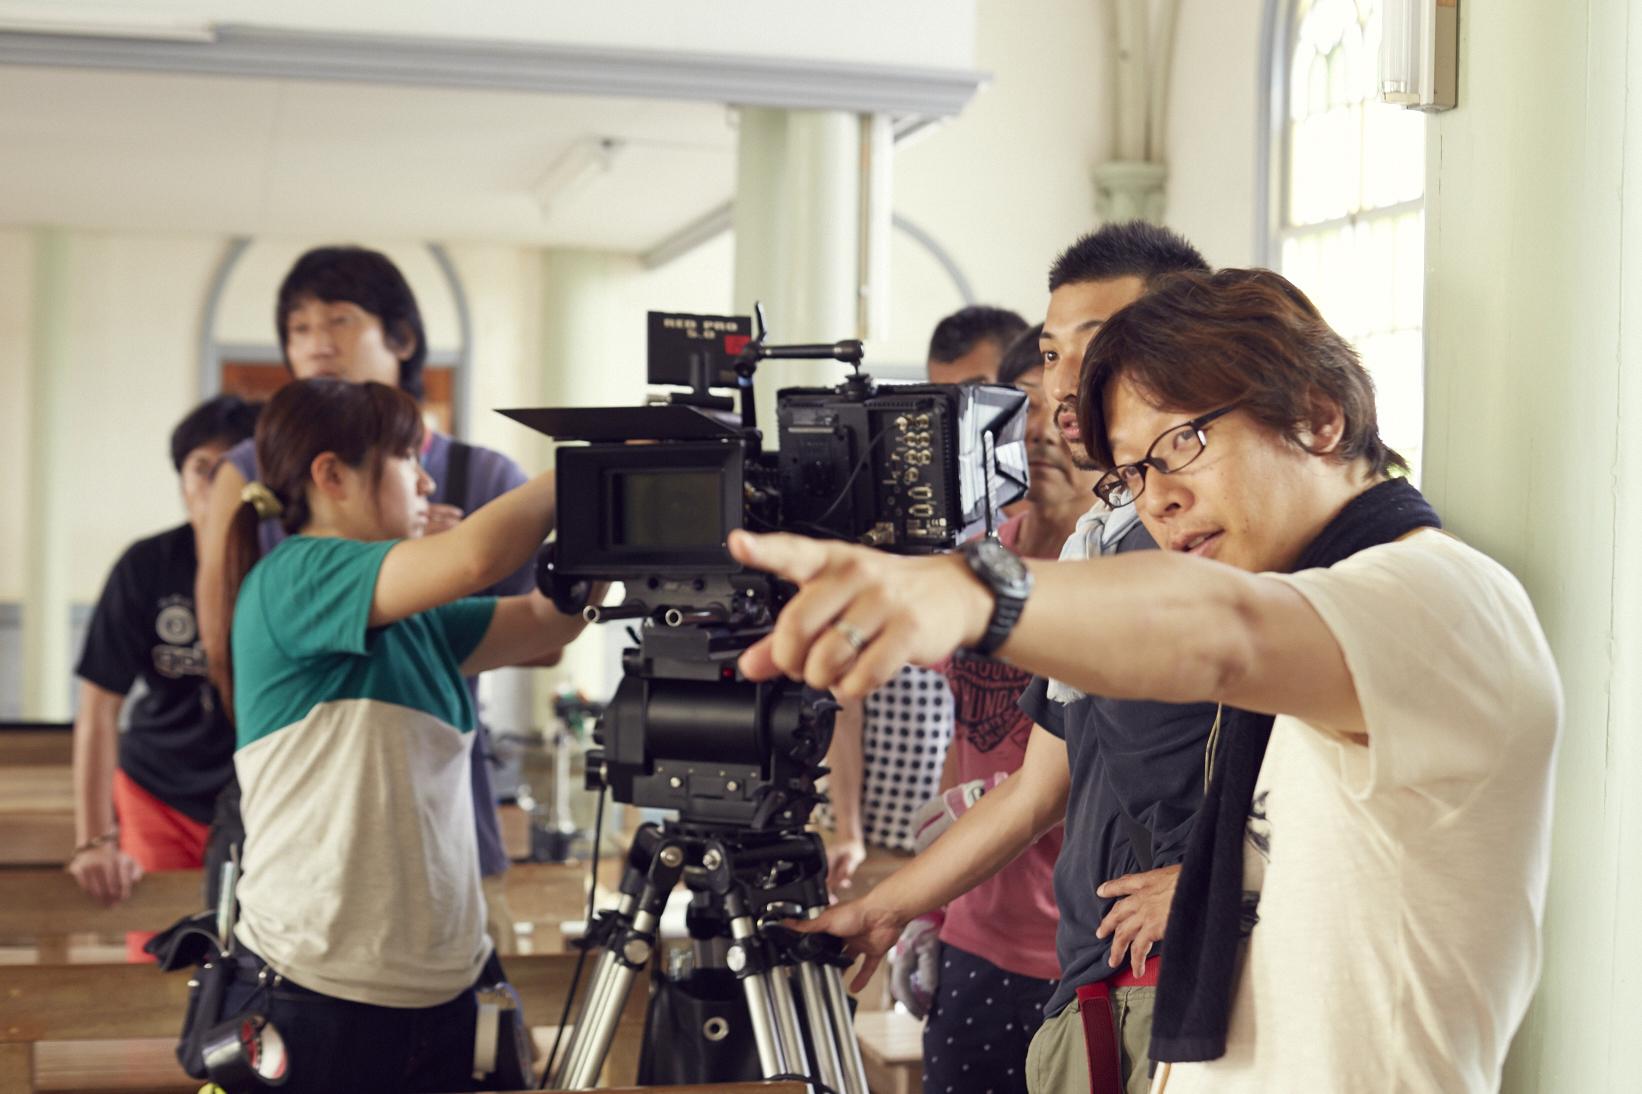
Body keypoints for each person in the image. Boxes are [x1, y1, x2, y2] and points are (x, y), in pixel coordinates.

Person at [729, 267, 1561, 1094]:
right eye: (1132, 475)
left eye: (1182, 446)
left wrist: (976, 590)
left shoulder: (1437, 599)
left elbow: (1219, 630)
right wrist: (889, 904)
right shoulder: (1311, 623)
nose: (1157, 503)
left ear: (1316, 417)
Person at [209, 378, 590, 1092]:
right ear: (332, 476)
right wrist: (582, 473)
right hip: (316, 995)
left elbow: (546, 627)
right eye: (406, 459)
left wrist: (611, 523)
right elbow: (475, 557)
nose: (427, 479)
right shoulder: (292, 576)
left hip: (449, 988)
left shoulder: (416, 619)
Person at [196, 245, 536, 950]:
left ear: (401, 339)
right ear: (328, 478)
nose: (316, 341)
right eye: (298, 327)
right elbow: (222, 628)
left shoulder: (482, 471)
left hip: (441, 784)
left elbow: (538, 627)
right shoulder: (262, 505)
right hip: (312, 802)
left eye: (340, 320)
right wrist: (427, 564)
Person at [897, 324, 1101, 1094]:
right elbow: (968, 733)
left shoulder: (1124, 573)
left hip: (1077, 951)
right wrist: (933, 903)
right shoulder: (981, 557)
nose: (1042, 432)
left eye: (1062, 411)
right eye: (1022, 413)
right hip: (976, 943)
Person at [824, 302, 1027, 890]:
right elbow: (845, 697)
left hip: (1014, 841)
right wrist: (847, 828)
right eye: (936, 398)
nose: (948, 419)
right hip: (890, 834)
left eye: (970, 395)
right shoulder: (900, 527)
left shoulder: (1061, 537)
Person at [69, 395, 259, 958]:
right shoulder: (146, 565)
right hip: (160, 791)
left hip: (260, 795)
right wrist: (94, 839)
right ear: (181, 480)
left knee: (255, 962)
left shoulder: (284, 565)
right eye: (202, 468)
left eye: (234, 467)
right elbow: (99, 706)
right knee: (161, 962)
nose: (216, 484)